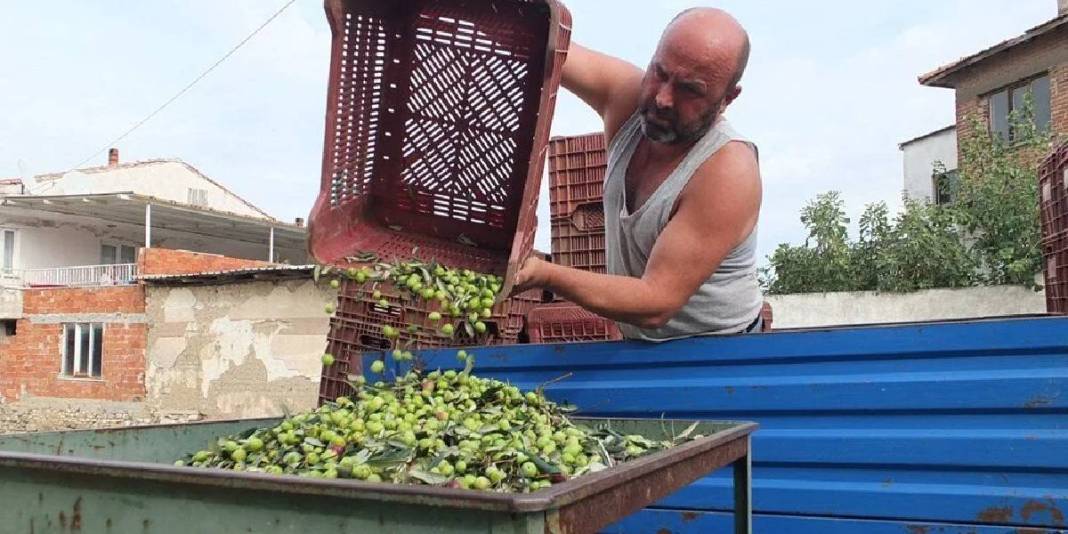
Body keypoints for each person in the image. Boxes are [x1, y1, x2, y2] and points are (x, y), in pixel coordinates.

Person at [514, 8, 764, 340]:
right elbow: (551, 46)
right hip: (641, 343)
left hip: (719, 352)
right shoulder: (626, 98)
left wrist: (542, 274)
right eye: (659, 72)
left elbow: (656, 300)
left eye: (690, 90)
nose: (662, 98)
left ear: (727, 98)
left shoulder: (727, 170)